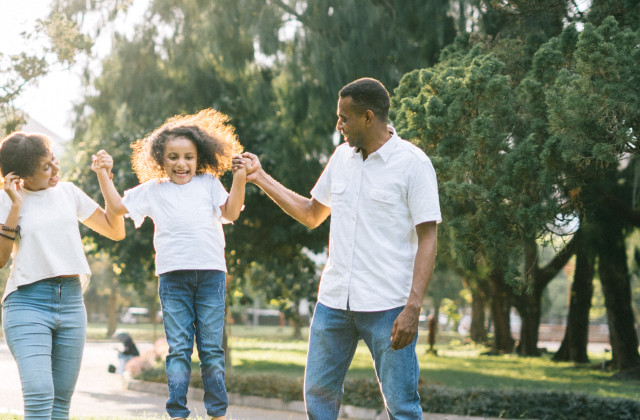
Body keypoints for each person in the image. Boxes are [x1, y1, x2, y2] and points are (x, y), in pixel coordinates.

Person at [239, 77, 441, 419]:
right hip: (334, 303)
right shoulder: (341, 158)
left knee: (402, 406)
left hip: (388, 307)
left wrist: (413, 307)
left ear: (367, 117)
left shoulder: (413, 164)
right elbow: (311, 214)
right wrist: (259, 177)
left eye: (344, 118)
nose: (338, 125)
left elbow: (428, 237)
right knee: (317, 399)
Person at [93, 108, 246, 420]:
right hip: (172, 279)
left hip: (211, 276)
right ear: (160, 160)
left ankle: (218, 413)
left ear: (198, 157)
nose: (182, 164)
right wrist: (102, 175)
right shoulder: (153, 189)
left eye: (188, 157)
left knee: (212, 350)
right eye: (173, 157)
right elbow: (119, 207)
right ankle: (177, 413)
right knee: (178, 349)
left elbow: (230, 213)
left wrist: (240, 177)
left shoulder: (208, 183)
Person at [0, 132, 125, 419]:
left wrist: (105, 178)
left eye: (53, 159)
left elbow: (115, 230)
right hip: (26, 304)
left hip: (71, 302)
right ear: (20, 176)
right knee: (40, 393)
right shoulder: (6, 201)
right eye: (46, 167)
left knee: (60, 402)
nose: (56, 169)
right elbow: (0, 260)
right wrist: (16, 206)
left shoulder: (68, 192)